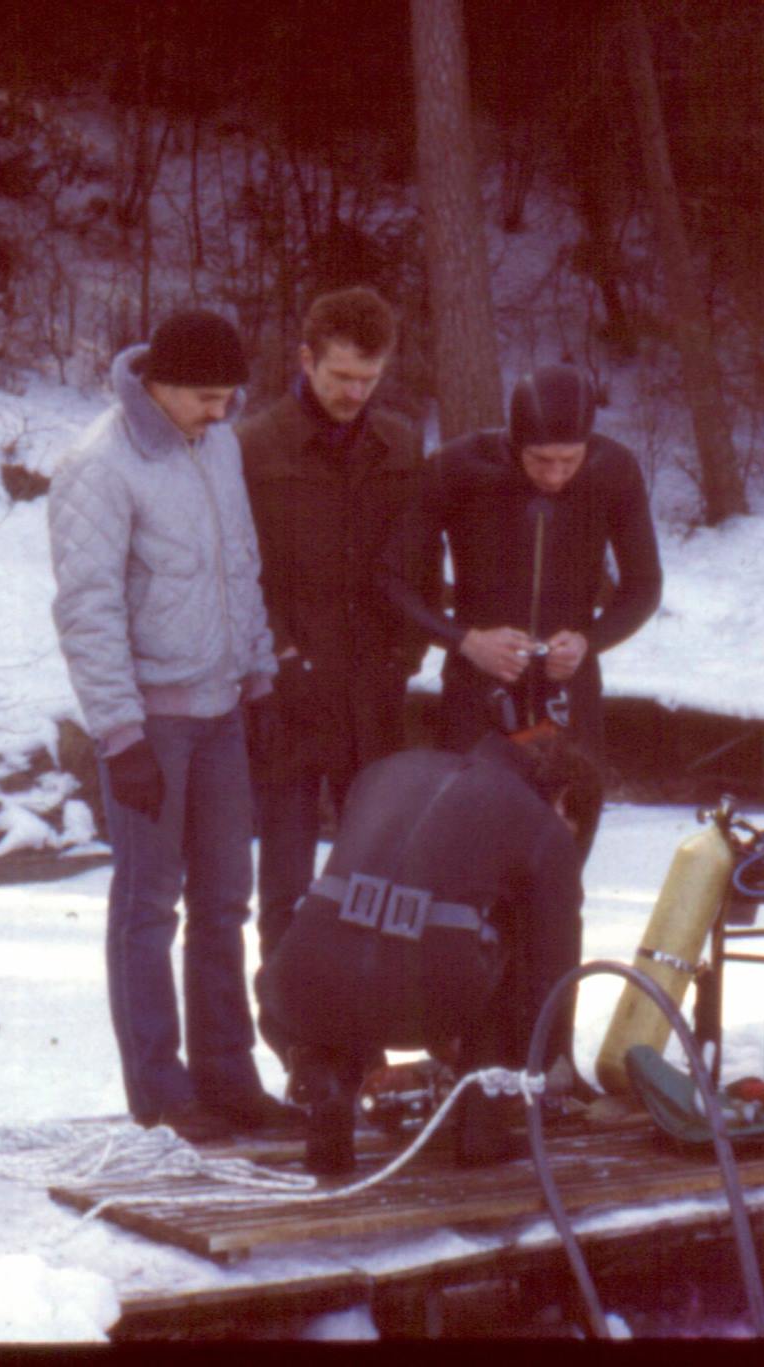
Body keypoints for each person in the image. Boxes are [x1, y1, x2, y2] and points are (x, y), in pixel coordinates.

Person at [48, 308, 299, 1141]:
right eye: (203, 397)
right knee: (148, 906)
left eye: (229, 398)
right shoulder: (99, 464)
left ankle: (228, 1074)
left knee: (224, 900)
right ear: (156, 382)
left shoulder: (217, 444)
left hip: (222, 709)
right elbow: (87, 609)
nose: (219, 413)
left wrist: (258, 679)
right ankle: (161, 1089)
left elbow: (242, 568)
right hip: (151, 721)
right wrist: (120, 735)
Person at [255, 728, 603, 1175]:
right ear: (564, 797)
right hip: (415, 1000)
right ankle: (482, 1127)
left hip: (297, 989)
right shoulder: (541, 824)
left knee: (347, 939)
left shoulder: (388, 770)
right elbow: (553, 976)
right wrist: (527, 1065)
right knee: (518, 954)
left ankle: (326, 1080)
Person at [236, 286, 434, 974]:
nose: (354, 392)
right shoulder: (254, 446)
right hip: (289, 691)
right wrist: (278, 653)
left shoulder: (401, 443)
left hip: (373, 692)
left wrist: (407, 652)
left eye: (368, 378)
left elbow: (418, 560)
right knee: (286, 883)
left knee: (376, 878)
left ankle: (362, 1021)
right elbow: (238, 569)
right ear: (306, 360)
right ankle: (287, 1024)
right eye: (341, 376)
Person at [378, 363, 661, 761]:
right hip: (477, 682)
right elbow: (392, 577)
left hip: (568, 683)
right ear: (515, 441)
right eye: (540, 459)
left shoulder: (614, 470)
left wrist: (589, 641)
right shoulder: (459, 467)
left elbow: (644, 585)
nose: (555, 475)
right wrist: (464, 640)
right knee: (474, 799)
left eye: (570, 459)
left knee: (570, 801)